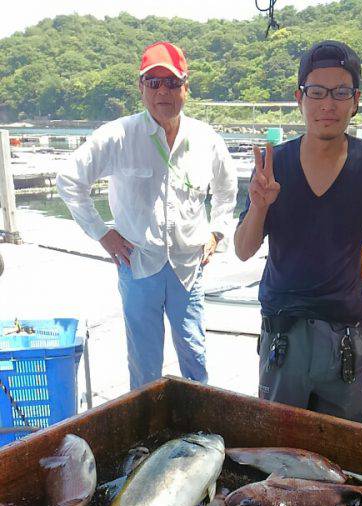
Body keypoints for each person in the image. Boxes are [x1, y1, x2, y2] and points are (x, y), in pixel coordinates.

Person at [235, 40, 362, 423]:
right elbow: (243, 250)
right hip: (284, 335)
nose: (328, 104)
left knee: (342, 451)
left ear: (355, 100)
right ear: (300, 98)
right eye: (317, 92)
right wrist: (259, 205)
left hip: (347, 335)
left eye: (340, 92)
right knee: (278, 446)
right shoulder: (274, 164)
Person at [57, 42, 237, 389]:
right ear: (141, 88)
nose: (162, 91)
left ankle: (200, 418)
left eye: (171, 82)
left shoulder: (206, 139)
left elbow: (227, 190)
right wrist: (102, 233)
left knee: (195, 354)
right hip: (138, 263)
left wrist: (217, 232)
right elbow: (69, 180)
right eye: (153, 83)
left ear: (186, 87)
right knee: (144, 362)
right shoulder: (119, 135)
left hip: (188, 266)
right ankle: (146, 422)